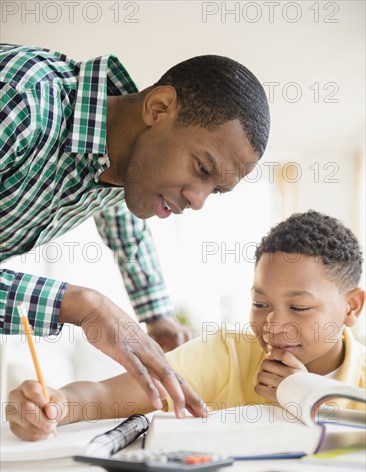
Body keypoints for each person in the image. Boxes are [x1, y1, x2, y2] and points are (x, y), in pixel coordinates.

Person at [0, 44, 270, 417]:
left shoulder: (125, 163)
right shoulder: (22, 100)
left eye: (216, 191)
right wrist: (81, 305)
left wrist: (157, 315)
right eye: (203, 170)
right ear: (159, 108)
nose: (198, 201)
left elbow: (126, 227)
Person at [7, 210, 365, 440]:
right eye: (260, 304)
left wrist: (302, 395)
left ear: (351, 307)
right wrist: (58, 403)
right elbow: (106, 397)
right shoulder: (227, 353)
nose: (273, 324)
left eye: (299, 307)